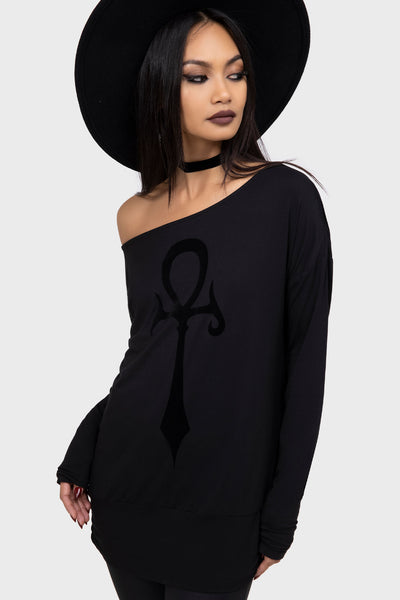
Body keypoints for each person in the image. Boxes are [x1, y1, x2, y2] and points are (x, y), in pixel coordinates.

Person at [56, 3, 334, 599]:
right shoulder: (135, 215)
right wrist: (84, 448)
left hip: (225, 503)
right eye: (197, 76)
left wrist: (281, 514)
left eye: (236, 73)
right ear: (162, 85)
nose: (223, 92)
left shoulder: (287, 198)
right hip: (127, 486)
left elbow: (305, 362)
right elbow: (149, 350)